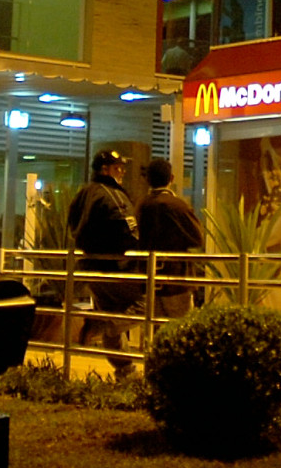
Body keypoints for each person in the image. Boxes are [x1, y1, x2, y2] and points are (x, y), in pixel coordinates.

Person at [67, 148, 140, 372]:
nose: (122, 172)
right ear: (105, 170)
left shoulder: (84, 193)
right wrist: (136, 252)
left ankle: (124, 369)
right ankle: (101, 324)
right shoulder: (112, 194)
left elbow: (72, 225)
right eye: (118, 168)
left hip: (90, 266)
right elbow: (127, 230)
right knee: (146, 303)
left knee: (110, 311)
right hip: (114, 267)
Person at [135, 158, 204, 319]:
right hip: (176, 279)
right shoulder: (178, 205)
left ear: (148, 179)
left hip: (148, 278)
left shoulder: (141, 205)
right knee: (180, 326)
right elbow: (197, 238)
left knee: (153, 326)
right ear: (171, 178)